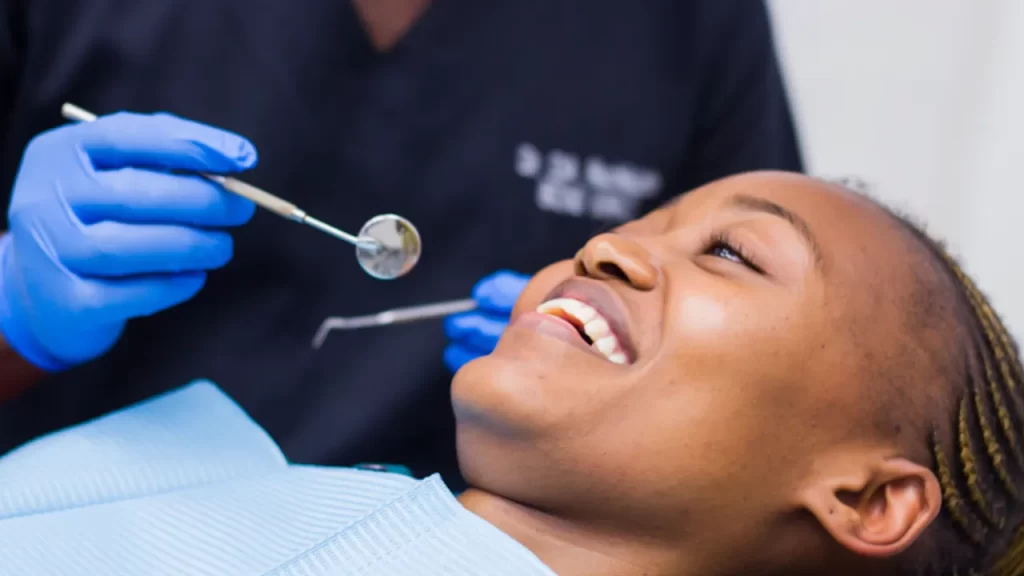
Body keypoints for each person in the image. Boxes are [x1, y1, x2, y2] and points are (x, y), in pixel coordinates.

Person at [2, 171, 1021, 575]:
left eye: (732, 254)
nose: (608, 248)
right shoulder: (191, 483)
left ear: (871, 497)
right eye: (636, 220)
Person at [0, 1, 802, 485]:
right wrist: (19, 312)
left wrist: (615, 409)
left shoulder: (686, 25)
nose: (613, 259)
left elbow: (769, 412)